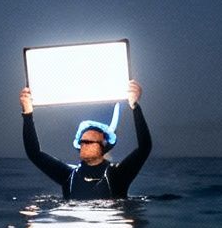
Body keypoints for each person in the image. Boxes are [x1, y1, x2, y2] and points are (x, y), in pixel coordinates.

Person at [20, 79, 151, 199]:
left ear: (103, 145)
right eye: (81, 142)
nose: (83, 145)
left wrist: (135, 107)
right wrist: (27, 113)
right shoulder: (69, 176)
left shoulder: (118, 175)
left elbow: (145, 147)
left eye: (88, 142)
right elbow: (34, 154)